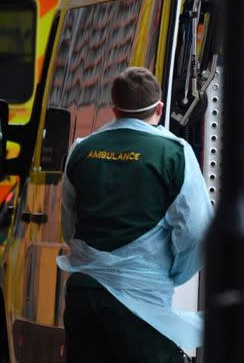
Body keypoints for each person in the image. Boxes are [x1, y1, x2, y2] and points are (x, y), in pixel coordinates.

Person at [57, 67, 214, 362]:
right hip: (140, 306)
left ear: (114, 109)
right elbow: (196, 230)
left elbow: (70, 225)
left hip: (84, 296)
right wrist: (176, 274)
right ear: (159, 108)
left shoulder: (81, 150)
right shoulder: (175, 153)